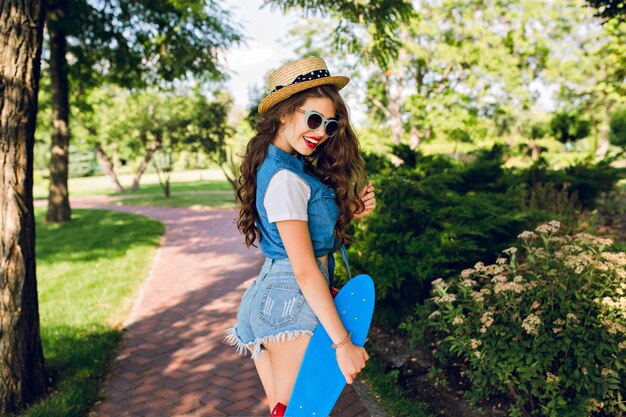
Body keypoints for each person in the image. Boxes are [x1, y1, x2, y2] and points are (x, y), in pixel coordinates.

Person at [226, 56, 376, 417]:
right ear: (283, 113)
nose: (321, 132)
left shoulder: (285, 167)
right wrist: (343, 344)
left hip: (274, 297)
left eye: (330, 124)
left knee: (286, 411)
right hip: (290, 301)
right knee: (300, 412)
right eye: (313, 119)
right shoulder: (287, 179)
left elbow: (303, 232)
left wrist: (347, 213)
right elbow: (306, 270)